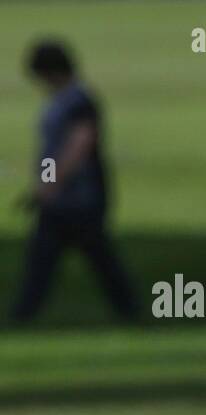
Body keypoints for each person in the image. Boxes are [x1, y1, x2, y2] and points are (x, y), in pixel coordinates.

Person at [11, 40, 135, 324]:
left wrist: (49, 185)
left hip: (78, 198)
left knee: (91, 259)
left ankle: (22, 316)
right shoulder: (65, 101)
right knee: (52, 259)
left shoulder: (79, 102)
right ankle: (22, 316)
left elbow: (78, 146)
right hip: (64, 198)